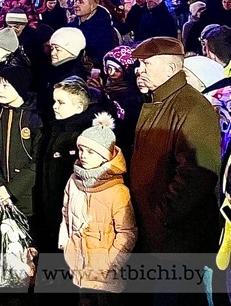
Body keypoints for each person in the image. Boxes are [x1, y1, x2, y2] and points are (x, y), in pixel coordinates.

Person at [131, 37, 221, 304]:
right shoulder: (159, 100)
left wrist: (162, 214)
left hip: (177, 238)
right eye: (139, 64)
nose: (139, 69)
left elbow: (198, 173)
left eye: (146, 63)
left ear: (171, 69)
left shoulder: (191, 108)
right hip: (157, 232)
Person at [59, 113, 137, 300]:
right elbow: (66, 214)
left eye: (91, 152)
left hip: (106, 273)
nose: (83, 156)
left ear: (105, 156)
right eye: (81, 150)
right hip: (78, 264)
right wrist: (66, 244)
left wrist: (110, 264)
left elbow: (126, 232)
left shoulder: (117, 190)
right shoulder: (73, 181)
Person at [0, 65, 43, 224]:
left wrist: (11, 190)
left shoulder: (34, 118)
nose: (0, 90)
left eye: (6, 85)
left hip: (26, 198)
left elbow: (37, 161)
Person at [38, 77, 94, 254]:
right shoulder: (53, 130)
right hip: (49, 207)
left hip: (69, 213)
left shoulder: (81, 137)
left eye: (61, 102)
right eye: (54, 101)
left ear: (78, 107)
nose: (54, 106)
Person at [69, 0, 116, 67]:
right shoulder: (72, 24)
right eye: (75, 1)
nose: (75, 5)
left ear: (93, 6)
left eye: (81, 2)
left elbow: (104, 55)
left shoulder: (103, 29)